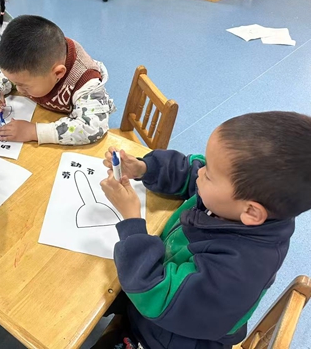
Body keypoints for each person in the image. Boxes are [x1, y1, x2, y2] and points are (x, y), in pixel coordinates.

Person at [97, 111, 311, 349]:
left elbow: (157, 296)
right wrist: (144, 168)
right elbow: (191, 171)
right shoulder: (247, 204)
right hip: (155, 300)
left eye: (208, 175)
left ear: (251, 211)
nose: (200, 171)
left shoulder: (238, 272)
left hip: (167, 337)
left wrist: (131, 220)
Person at [0, 15, 116, 145]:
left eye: (25, 86)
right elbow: (3, 73)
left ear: (58, 73)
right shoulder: (26, 66)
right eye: (15, 83)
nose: (19, 89)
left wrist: (34, 132)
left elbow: (92, 127)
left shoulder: (86, 83)